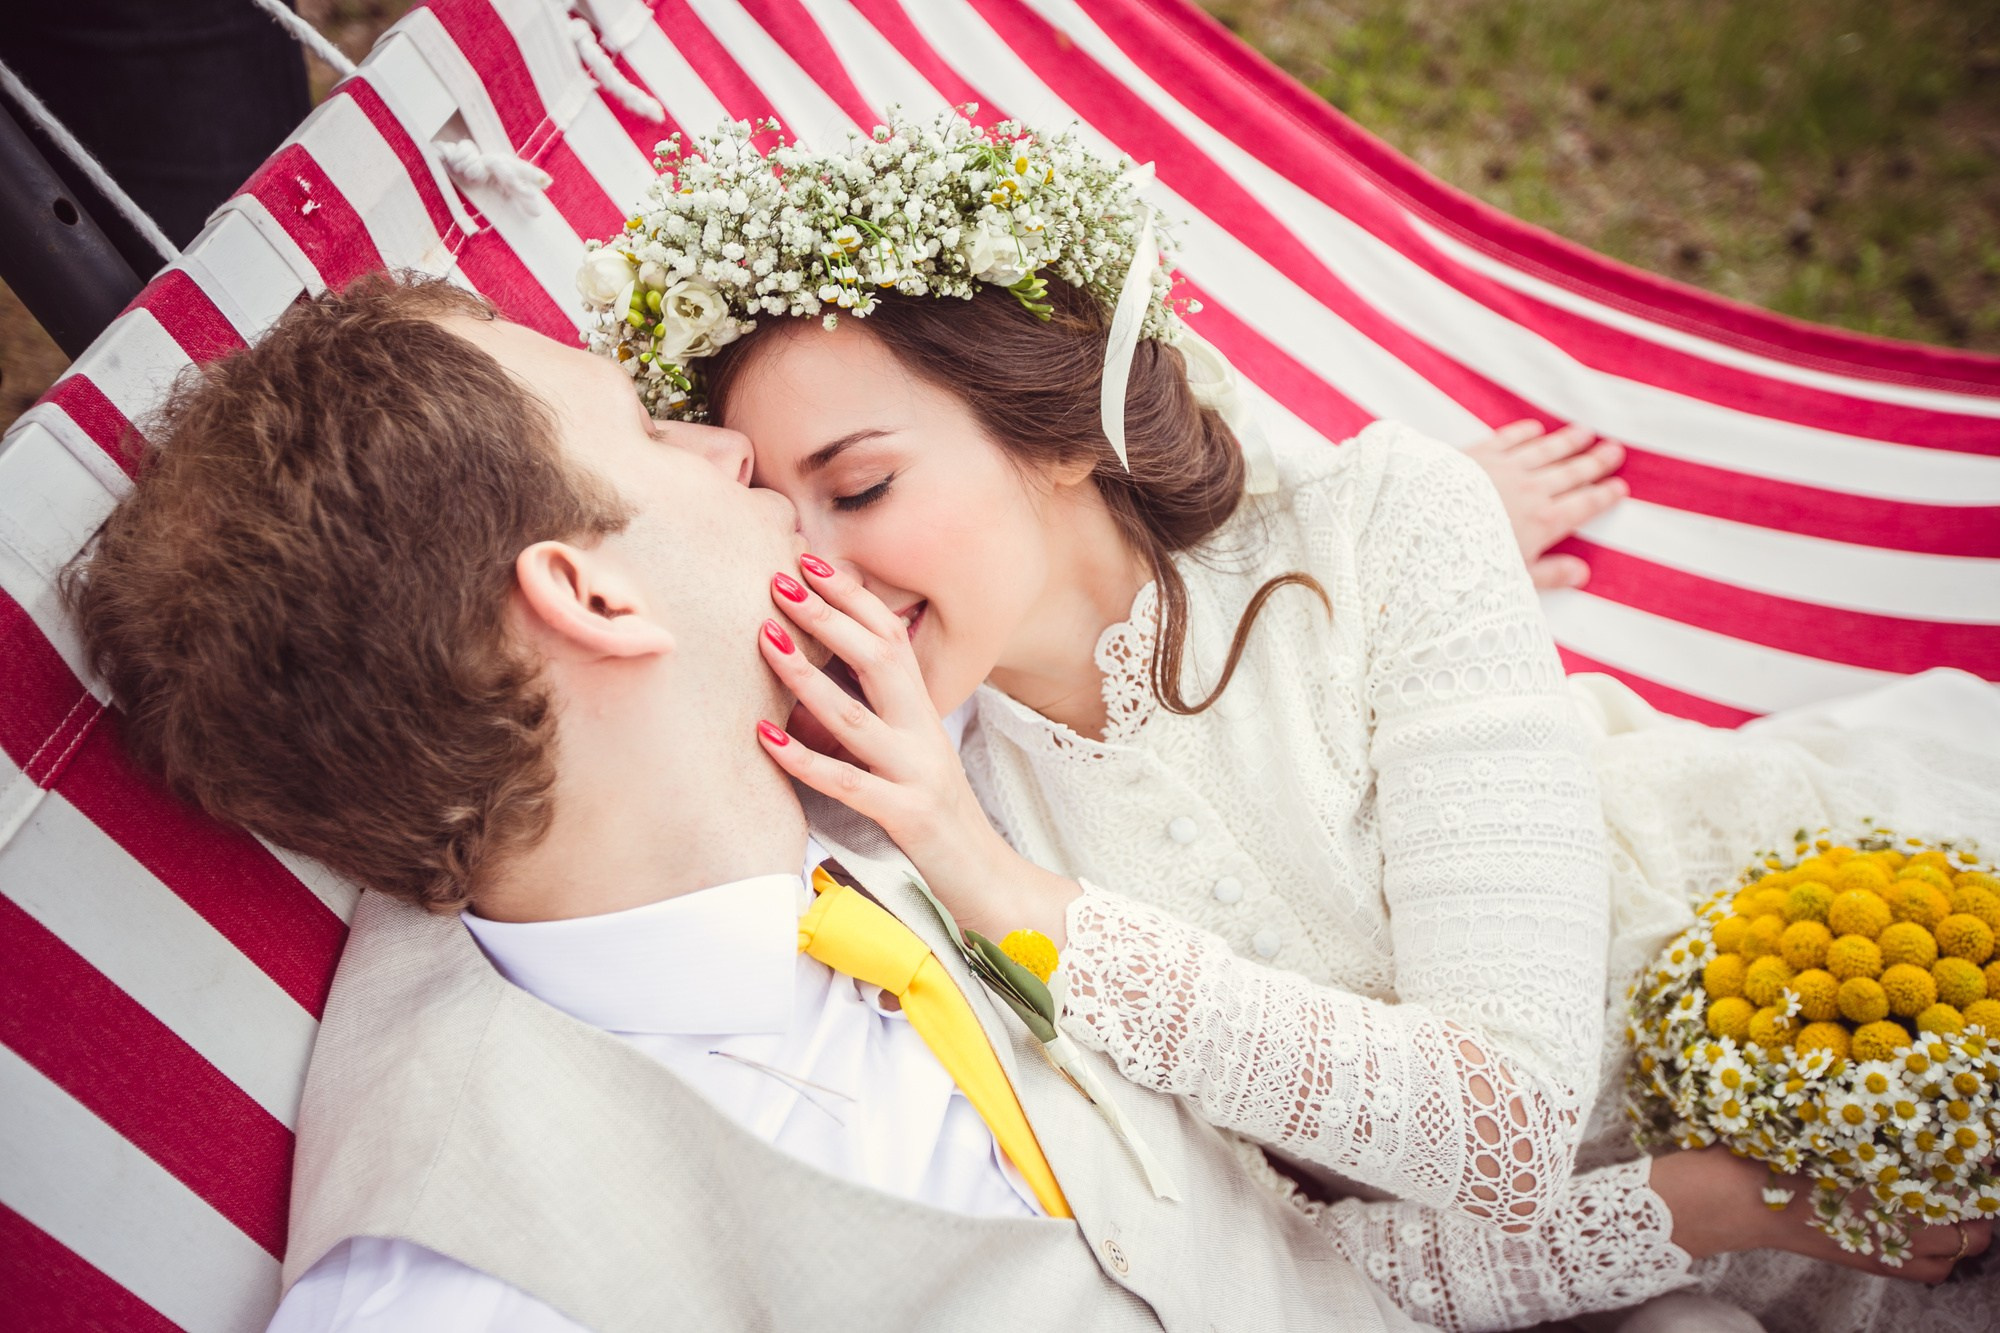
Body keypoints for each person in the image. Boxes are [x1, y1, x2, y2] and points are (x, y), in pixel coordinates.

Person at [594, 126, 2000, 1330]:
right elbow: (1285, 1268)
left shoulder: (1387, 524)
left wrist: (1017, 895)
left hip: (1837, 953)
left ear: (1066, 423)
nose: (823, 573)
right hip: (1609, 1276)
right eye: (785, 516)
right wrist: (1669, 1220)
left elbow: (1499, 1116)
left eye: (863, 484)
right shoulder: (933, 837)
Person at [65, 273, 1441, 1333]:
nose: (728, 452)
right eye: (644, 429)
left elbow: (1035, 530)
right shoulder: (476, 1274)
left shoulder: (856, 736)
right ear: (593, 596)